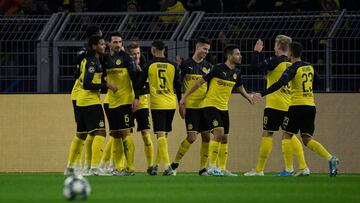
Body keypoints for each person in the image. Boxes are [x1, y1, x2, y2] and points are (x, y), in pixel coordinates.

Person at [254, 41, 339, 177]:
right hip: (311, 106)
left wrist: (262, 93)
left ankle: (288, 169)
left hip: (296, 106)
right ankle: (330, 158)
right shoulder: (309, 67)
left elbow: (280, 83)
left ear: (291, 53)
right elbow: (319, 81)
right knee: (306, 139)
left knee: (286, 135)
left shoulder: (293, 68)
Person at [180, 45, 254, 176]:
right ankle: (212, 167)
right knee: (218, 133)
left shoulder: (236, 72)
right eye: (237, 54)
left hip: (224, 108)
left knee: (225, 138)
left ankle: (222, 168)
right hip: (210, 106)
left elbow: (240, 87)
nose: (240, 56)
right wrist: (184, 97)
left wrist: (248, 97)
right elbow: (198, 83)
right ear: (230, 56)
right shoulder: (217, 68)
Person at [244, 35, 310, 177]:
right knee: (290, 135)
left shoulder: (276, 60)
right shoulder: (292, 63)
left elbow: (253, 67)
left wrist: (256, 51)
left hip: (275, 104)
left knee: (268, 133)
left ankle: (259, 170)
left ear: (279, 45)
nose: (273, 47)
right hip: (289, 104)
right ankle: (302, 167)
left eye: (275, 44)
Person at [64, 35, 117, 176]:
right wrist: (106, 85)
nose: (104, 46)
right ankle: (94, 167)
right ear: (94, 46)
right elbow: (87, 84)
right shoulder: (93, 62)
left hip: (82, 101)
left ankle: (71, 166)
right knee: (100, 133)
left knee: (82, 134)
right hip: (90, 101)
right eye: (101, 44)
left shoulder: (89, 59)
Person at [169, 37, 213, 176]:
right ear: (197, 47)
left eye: (208, 49)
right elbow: (178, 85)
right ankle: (174, 164)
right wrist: (181, 104)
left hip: (204, 107)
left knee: (206, 138)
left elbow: (210, 88)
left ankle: (202, 168)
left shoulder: (209, 67)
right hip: (191, 108)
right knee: (192, 138)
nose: (206, 51)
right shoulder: (185, 64)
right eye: (204, 49)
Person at [139, 40, 182, 176]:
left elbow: (140, 83)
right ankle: (156, 165)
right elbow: (178, 86)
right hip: (171, 103)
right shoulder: (173, 65)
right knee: (164, 135)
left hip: (158, 104)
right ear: (164, 50)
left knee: (160, 135)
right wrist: (181, 103)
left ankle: (168, 166)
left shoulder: (149, 65)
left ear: (153, 50)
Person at [101, 32, 140, 176]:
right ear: (109, 43)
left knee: (125, 133)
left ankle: (130, 168)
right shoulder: (104, 59)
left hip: (125, 101)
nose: (118, 45)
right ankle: (118, 168)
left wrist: (137, 97)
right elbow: (98, 77)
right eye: (115, 42)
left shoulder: (127, 58)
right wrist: (107, 84)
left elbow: (135, 78)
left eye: (120, 42)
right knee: (115, 134)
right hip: (111, 102)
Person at [67, 25, 102, 174]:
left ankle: (75, 166)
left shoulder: (93, 56)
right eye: (100, 38)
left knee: (83, 133)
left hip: (80, 95)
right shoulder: (87, 55)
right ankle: (91, 166)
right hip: (82, 95)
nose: (104, 42)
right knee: (94, 131)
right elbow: (77, 62)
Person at [127, 42, 155, 175]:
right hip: (127, 103)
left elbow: (145, 86)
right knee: (124, 134)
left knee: (146, 134)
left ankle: (151, 166)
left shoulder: (145, 65)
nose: (136, 56)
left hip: (142, 103)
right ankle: (128, 166)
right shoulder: (126, 64)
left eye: (137, 53)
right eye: (133, 54)